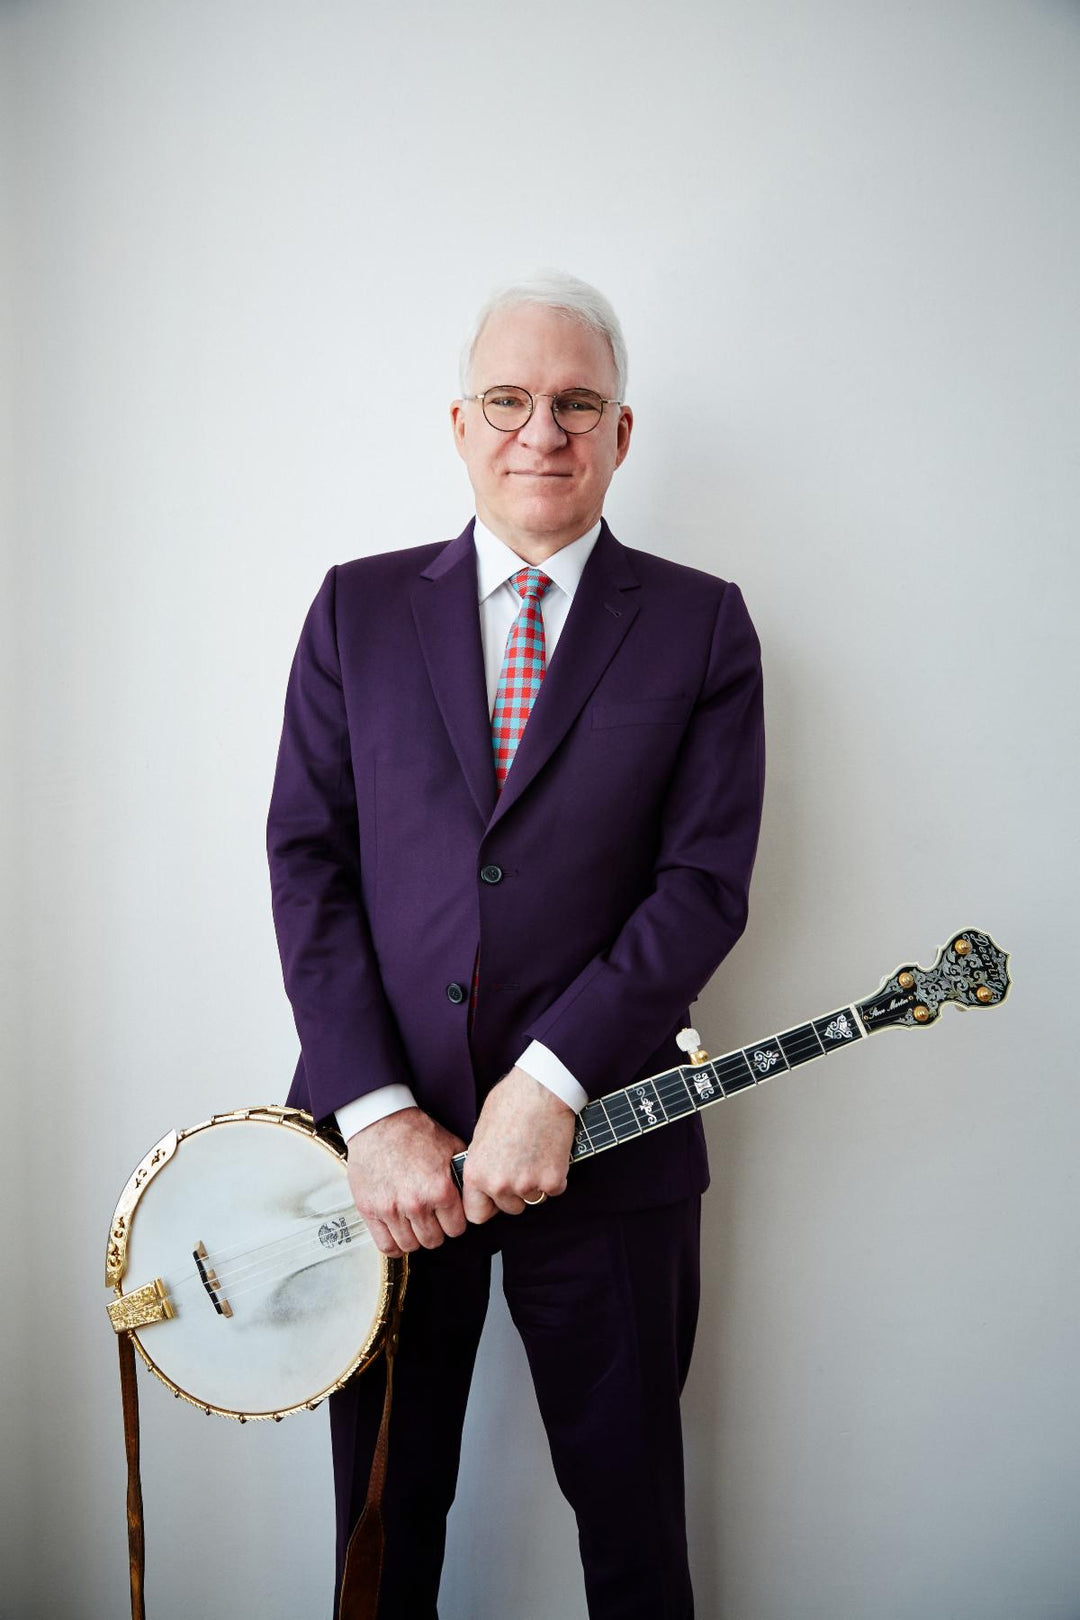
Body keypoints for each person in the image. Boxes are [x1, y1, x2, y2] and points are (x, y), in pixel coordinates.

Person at [267, 271, 765, 1619]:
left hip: (609, 1156)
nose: (541, 430)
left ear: (619, 433)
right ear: (460, 420)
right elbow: (306, 864)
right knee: (379, 1538)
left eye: (575, 404)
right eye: (510, 399)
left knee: (633, 1536)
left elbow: (702, 888)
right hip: (385, 1174)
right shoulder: (355, 611)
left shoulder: (701, 625)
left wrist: (550, 1084)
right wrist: (373, 1115)